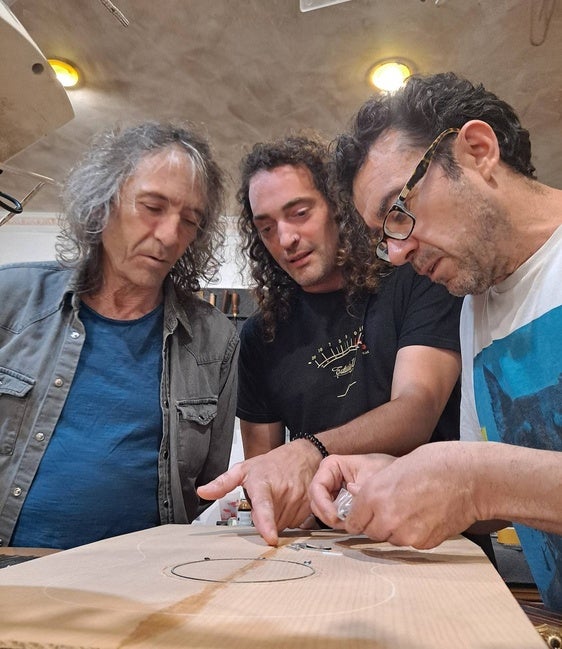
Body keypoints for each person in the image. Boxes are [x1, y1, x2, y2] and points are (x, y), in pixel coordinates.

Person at [310, 72, 562, 611]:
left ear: (477, 149)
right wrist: (397, 478)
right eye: (382, 239)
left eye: (397, 212)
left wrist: (475, 479)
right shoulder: (475, 308)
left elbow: (487, 483)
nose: (396, 254)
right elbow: (501, 501)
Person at [198, 134, 465, 546]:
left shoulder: (417, 278)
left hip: (436, 543)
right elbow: (268, 469)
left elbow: (417, 408)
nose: (284, 240)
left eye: (299, 213)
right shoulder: (259, 336)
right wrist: (273, 490)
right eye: (266, 228)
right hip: (325, 552)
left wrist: (310, 451)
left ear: (340, 208)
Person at [0, 121, 239, 550]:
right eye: (152, 206)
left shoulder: (214, 340)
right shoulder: (10, 300)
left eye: (189, 220)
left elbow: (205, 481)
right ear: (103, 204)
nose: (169, 235)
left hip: (144, 579)